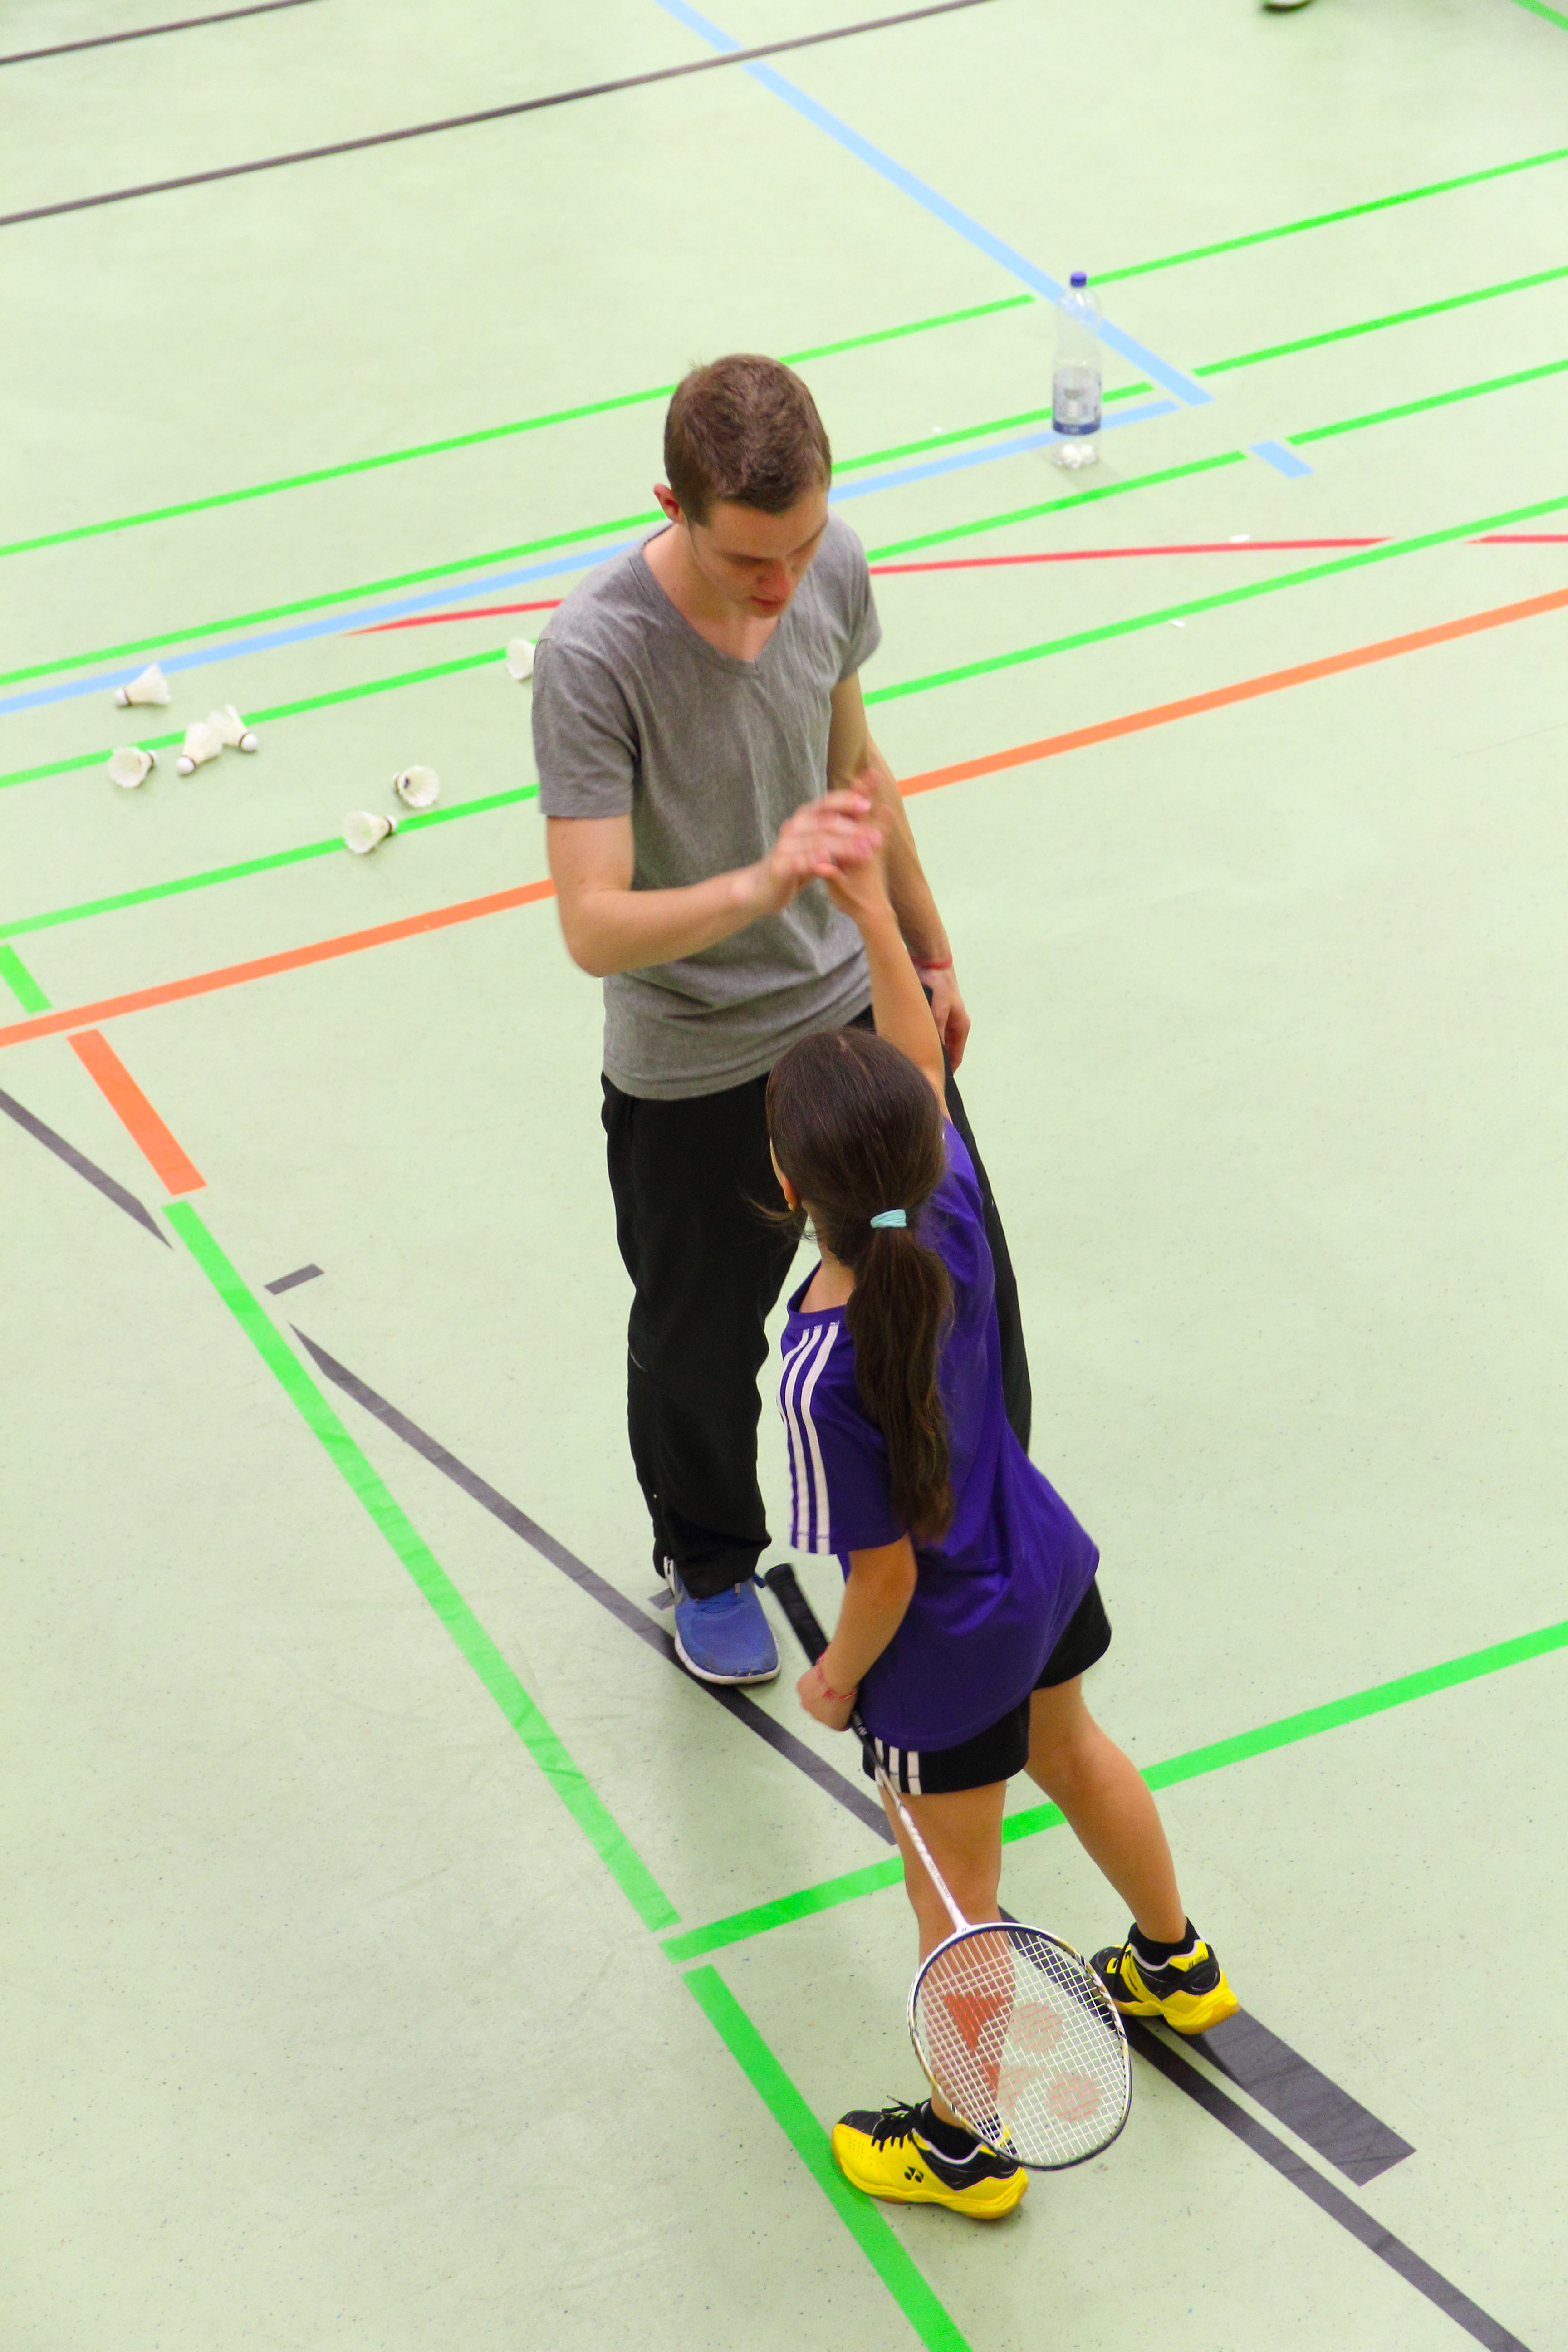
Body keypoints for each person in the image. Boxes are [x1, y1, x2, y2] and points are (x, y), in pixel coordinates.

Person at [534, 354, 1031, 1686]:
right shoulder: (595, 656)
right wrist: (764, 881)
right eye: (752, 558)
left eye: (804, 546)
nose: (784, 582)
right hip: (694, 1060)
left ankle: (968, 1515)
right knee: (701, 1347)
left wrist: (929, 948)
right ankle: (709, 1559)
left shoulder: (831, 565)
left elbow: (856, 771)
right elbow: (592, 924)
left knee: (954, 1270)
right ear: (673, 508)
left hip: (849, 1009)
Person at [769, 839, 1238, 2220]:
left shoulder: (818, 1365)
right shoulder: (948, 1208)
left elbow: (880, 1575)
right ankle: (1174, 1963)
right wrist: (874, 913)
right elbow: (918, 1058)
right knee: (1077, 1753)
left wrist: (837, 1678)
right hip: (1038, 1566)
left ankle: (967, 2148)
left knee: (956, 1902)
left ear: (792, 1191)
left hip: (941, 1650)